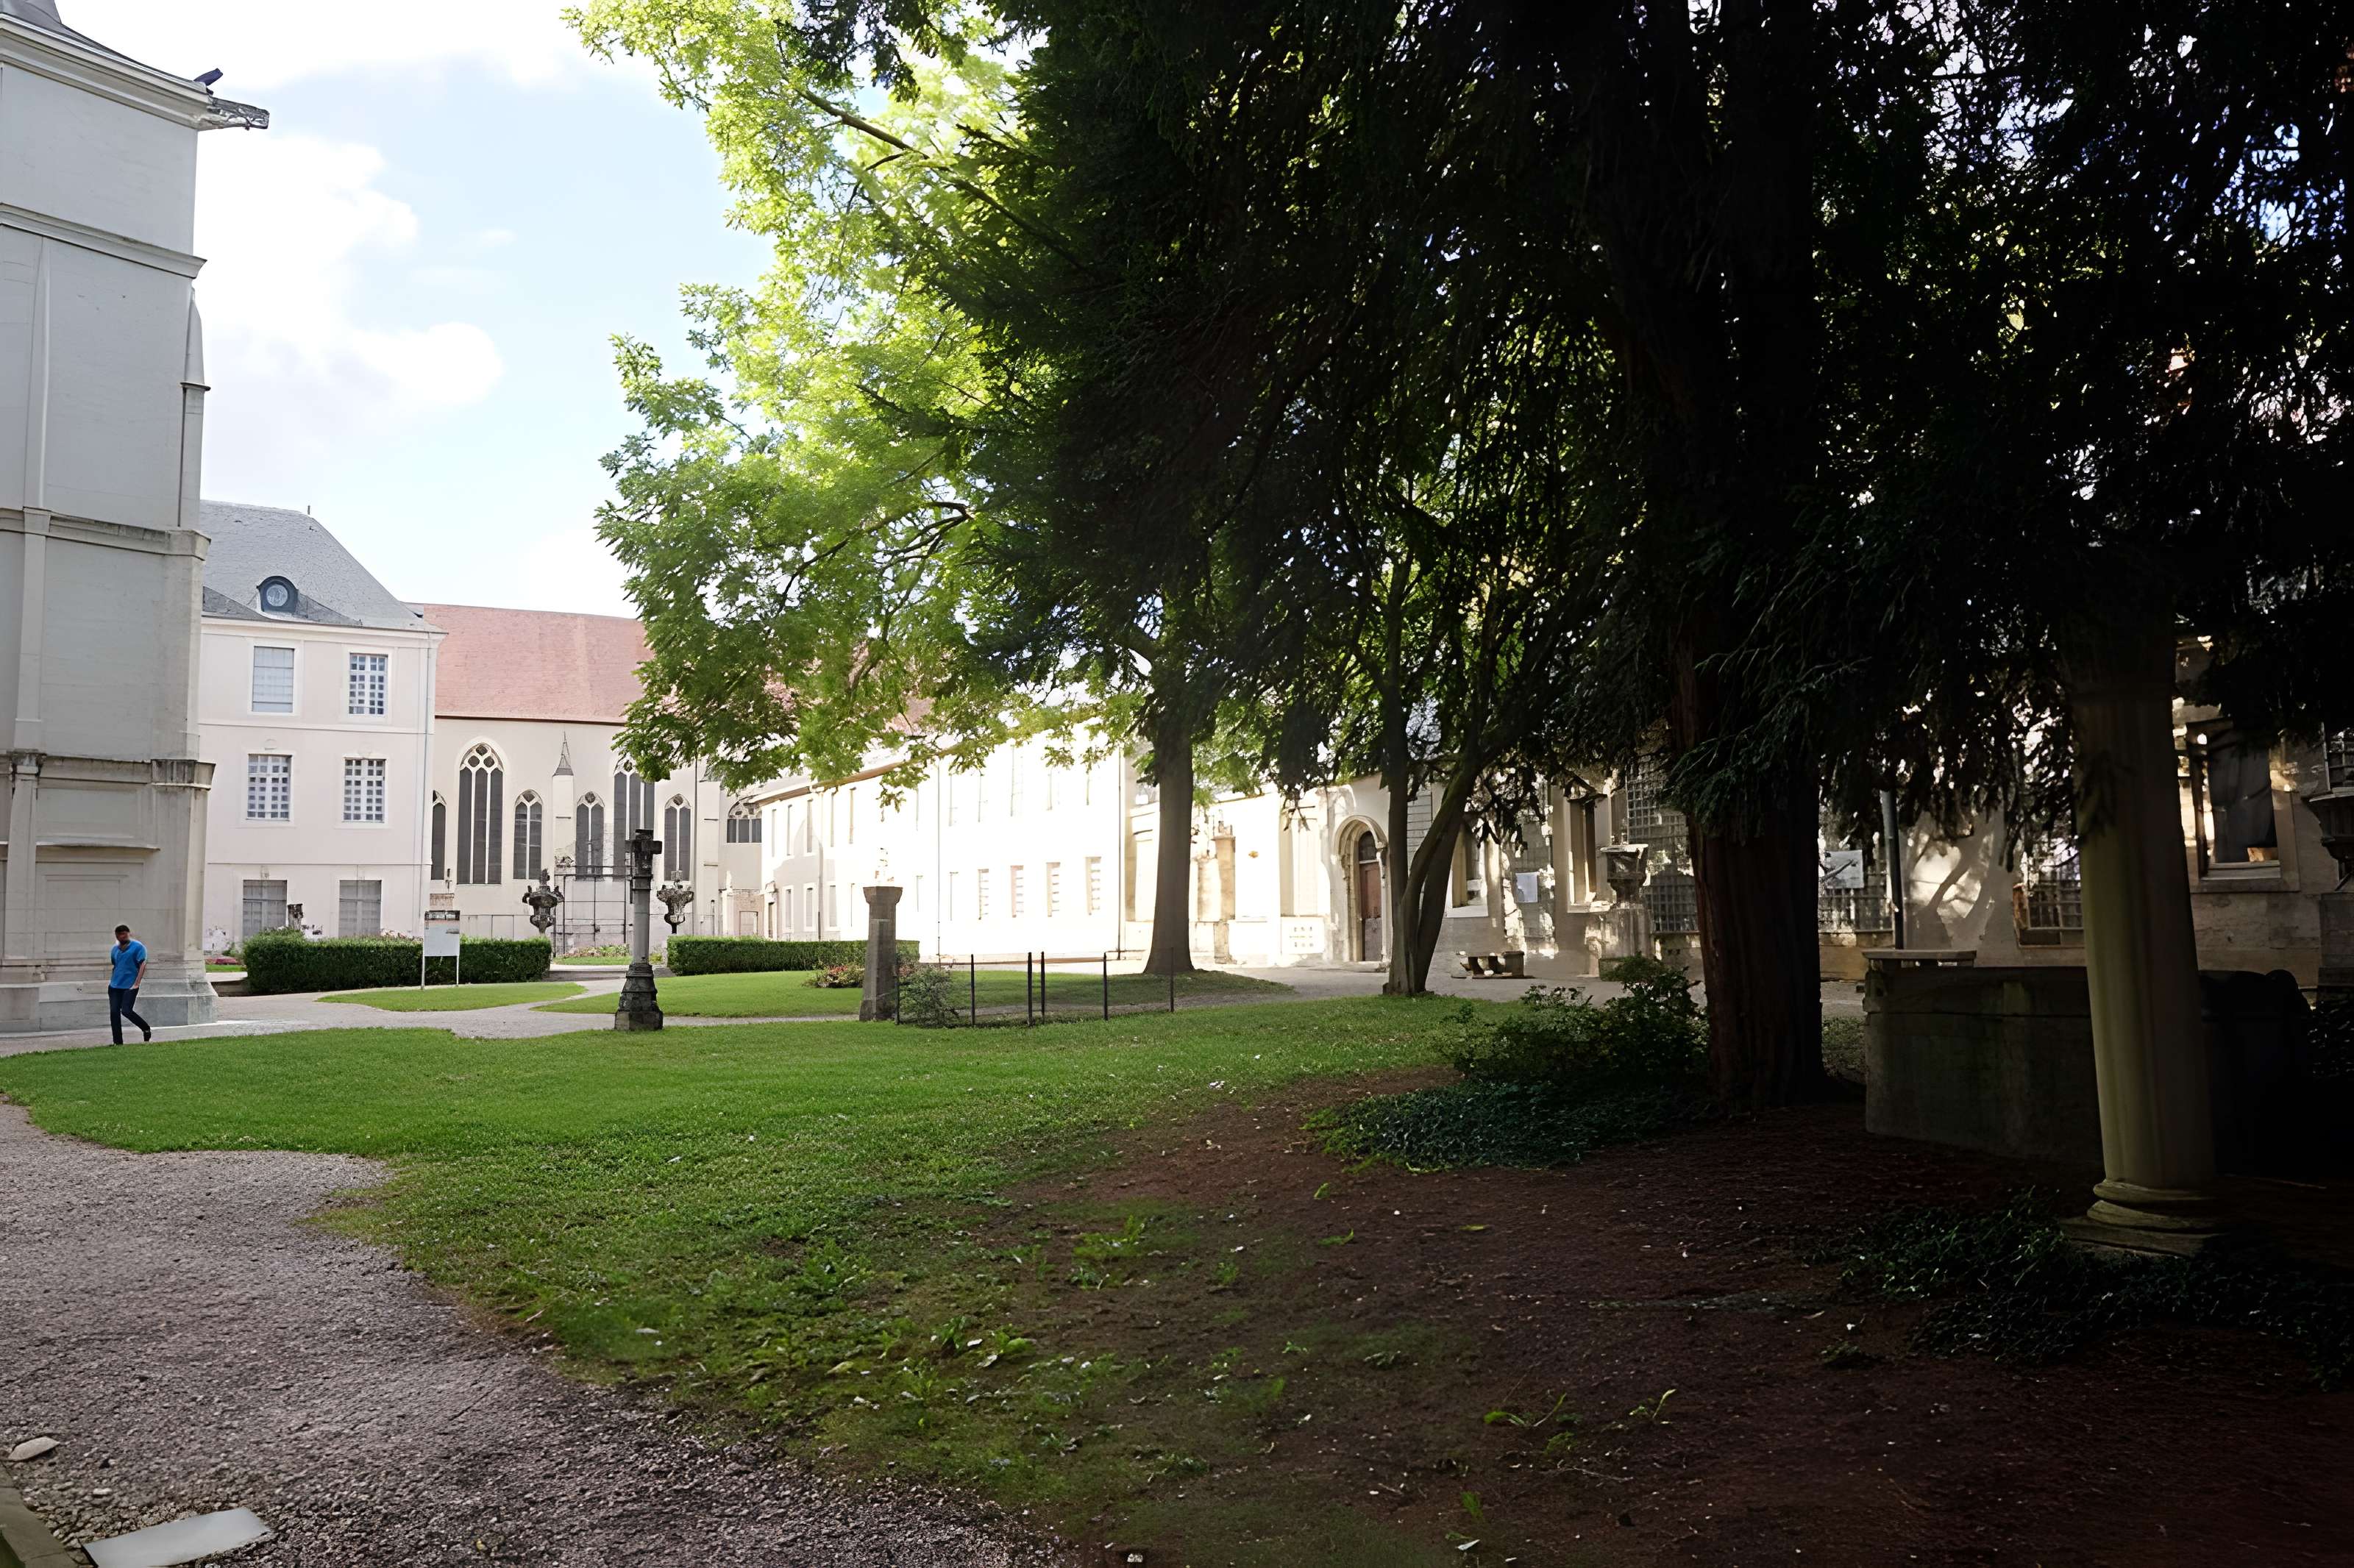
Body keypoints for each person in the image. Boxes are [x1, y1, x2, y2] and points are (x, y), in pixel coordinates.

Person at [108, 924, 150, 1044]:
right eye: (119, 935)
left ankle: (146, 1029)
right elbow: (115, 965)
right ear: (116, 936)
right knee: (114, 1012)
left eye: (124, 934)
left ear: (128, 934)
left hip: (130, 986)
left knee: (126, 1011)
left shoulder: (138, 947)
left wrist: (137, 983)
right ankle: (118, 1043)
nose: (122, 936)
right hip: (114, 986)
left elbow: (143, 964)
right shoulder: (115, 950)